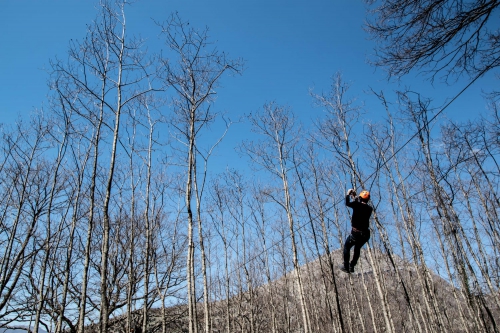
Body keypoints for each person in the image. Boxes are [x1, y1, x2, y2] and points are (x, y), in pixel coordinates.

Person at [340, 188, 372, 273]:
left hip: (355, 233)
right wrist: (355, 197)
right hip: (365, 234)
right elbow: (360, 205)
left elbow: (348, 203)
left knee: (347, 246)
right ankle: (352, 265)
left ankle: (346, 266)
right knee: (357, 248)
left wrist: (348, 194)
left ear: (360, 198)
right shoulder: (369, 209)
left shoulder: (357, 205)